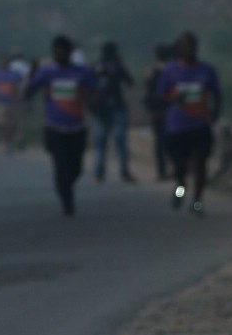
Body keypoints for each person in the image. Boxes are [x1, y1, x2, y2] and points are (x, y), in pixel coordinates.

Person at [25, 35, 99, 216]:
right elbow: (28, 93)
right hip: (55, 128)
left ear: (69, 52)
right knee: (60, 167)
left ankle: (180, 191)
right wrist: (31, 74)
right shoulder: (46, 73)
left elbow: (96, 90)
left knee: (76, 169)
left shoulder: (81, 72)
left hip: (77, 128)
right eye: (56, 51)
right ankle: (67, 200)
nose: (60, 54)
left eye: (63, 51)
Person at [158, 31, 221, 214]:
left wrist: (215, 112)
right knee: (180, 167)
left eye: (192, 46)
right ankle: (180, 188)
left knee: (200, 164)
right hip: (177, 127)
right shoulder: (170, 71)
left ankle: (197, 201)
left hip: (200, 125)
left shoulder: (207, 71)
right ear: (179, 49)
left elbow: (216, 94)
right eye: (185, 46)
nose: (189, 50)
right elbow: (160, 96)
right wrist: (173, 98)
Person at [91, 41, 136, 184]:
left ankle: (99, 173)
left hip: (100, 110)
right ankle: (123, 172)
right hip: (116, 107)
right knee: (120, 142)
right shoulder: (117, 66)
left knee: (100, 143)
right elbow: (130, 82)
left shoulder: (97, 66)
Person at [142, 44, 174, 181]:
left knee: (159, 143)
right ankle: (175, 168)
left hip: (157, 112)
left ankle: (161, 172)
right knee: (171, 141)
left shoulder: (152, 71)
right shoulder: (172, 71)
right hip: (170, 111)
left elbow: (147, 91)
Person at [0, 55, 25, 151]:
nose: (4, 64)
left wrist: (19, 96)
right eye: (3, 62)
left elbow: (20, 85)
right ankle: (5, 141)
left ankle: (10, 141)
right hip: (1, 103)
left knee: (12, 124)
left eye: (6, 62)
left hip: (13, 102)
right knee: (2, 124)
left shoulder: (15, 74)